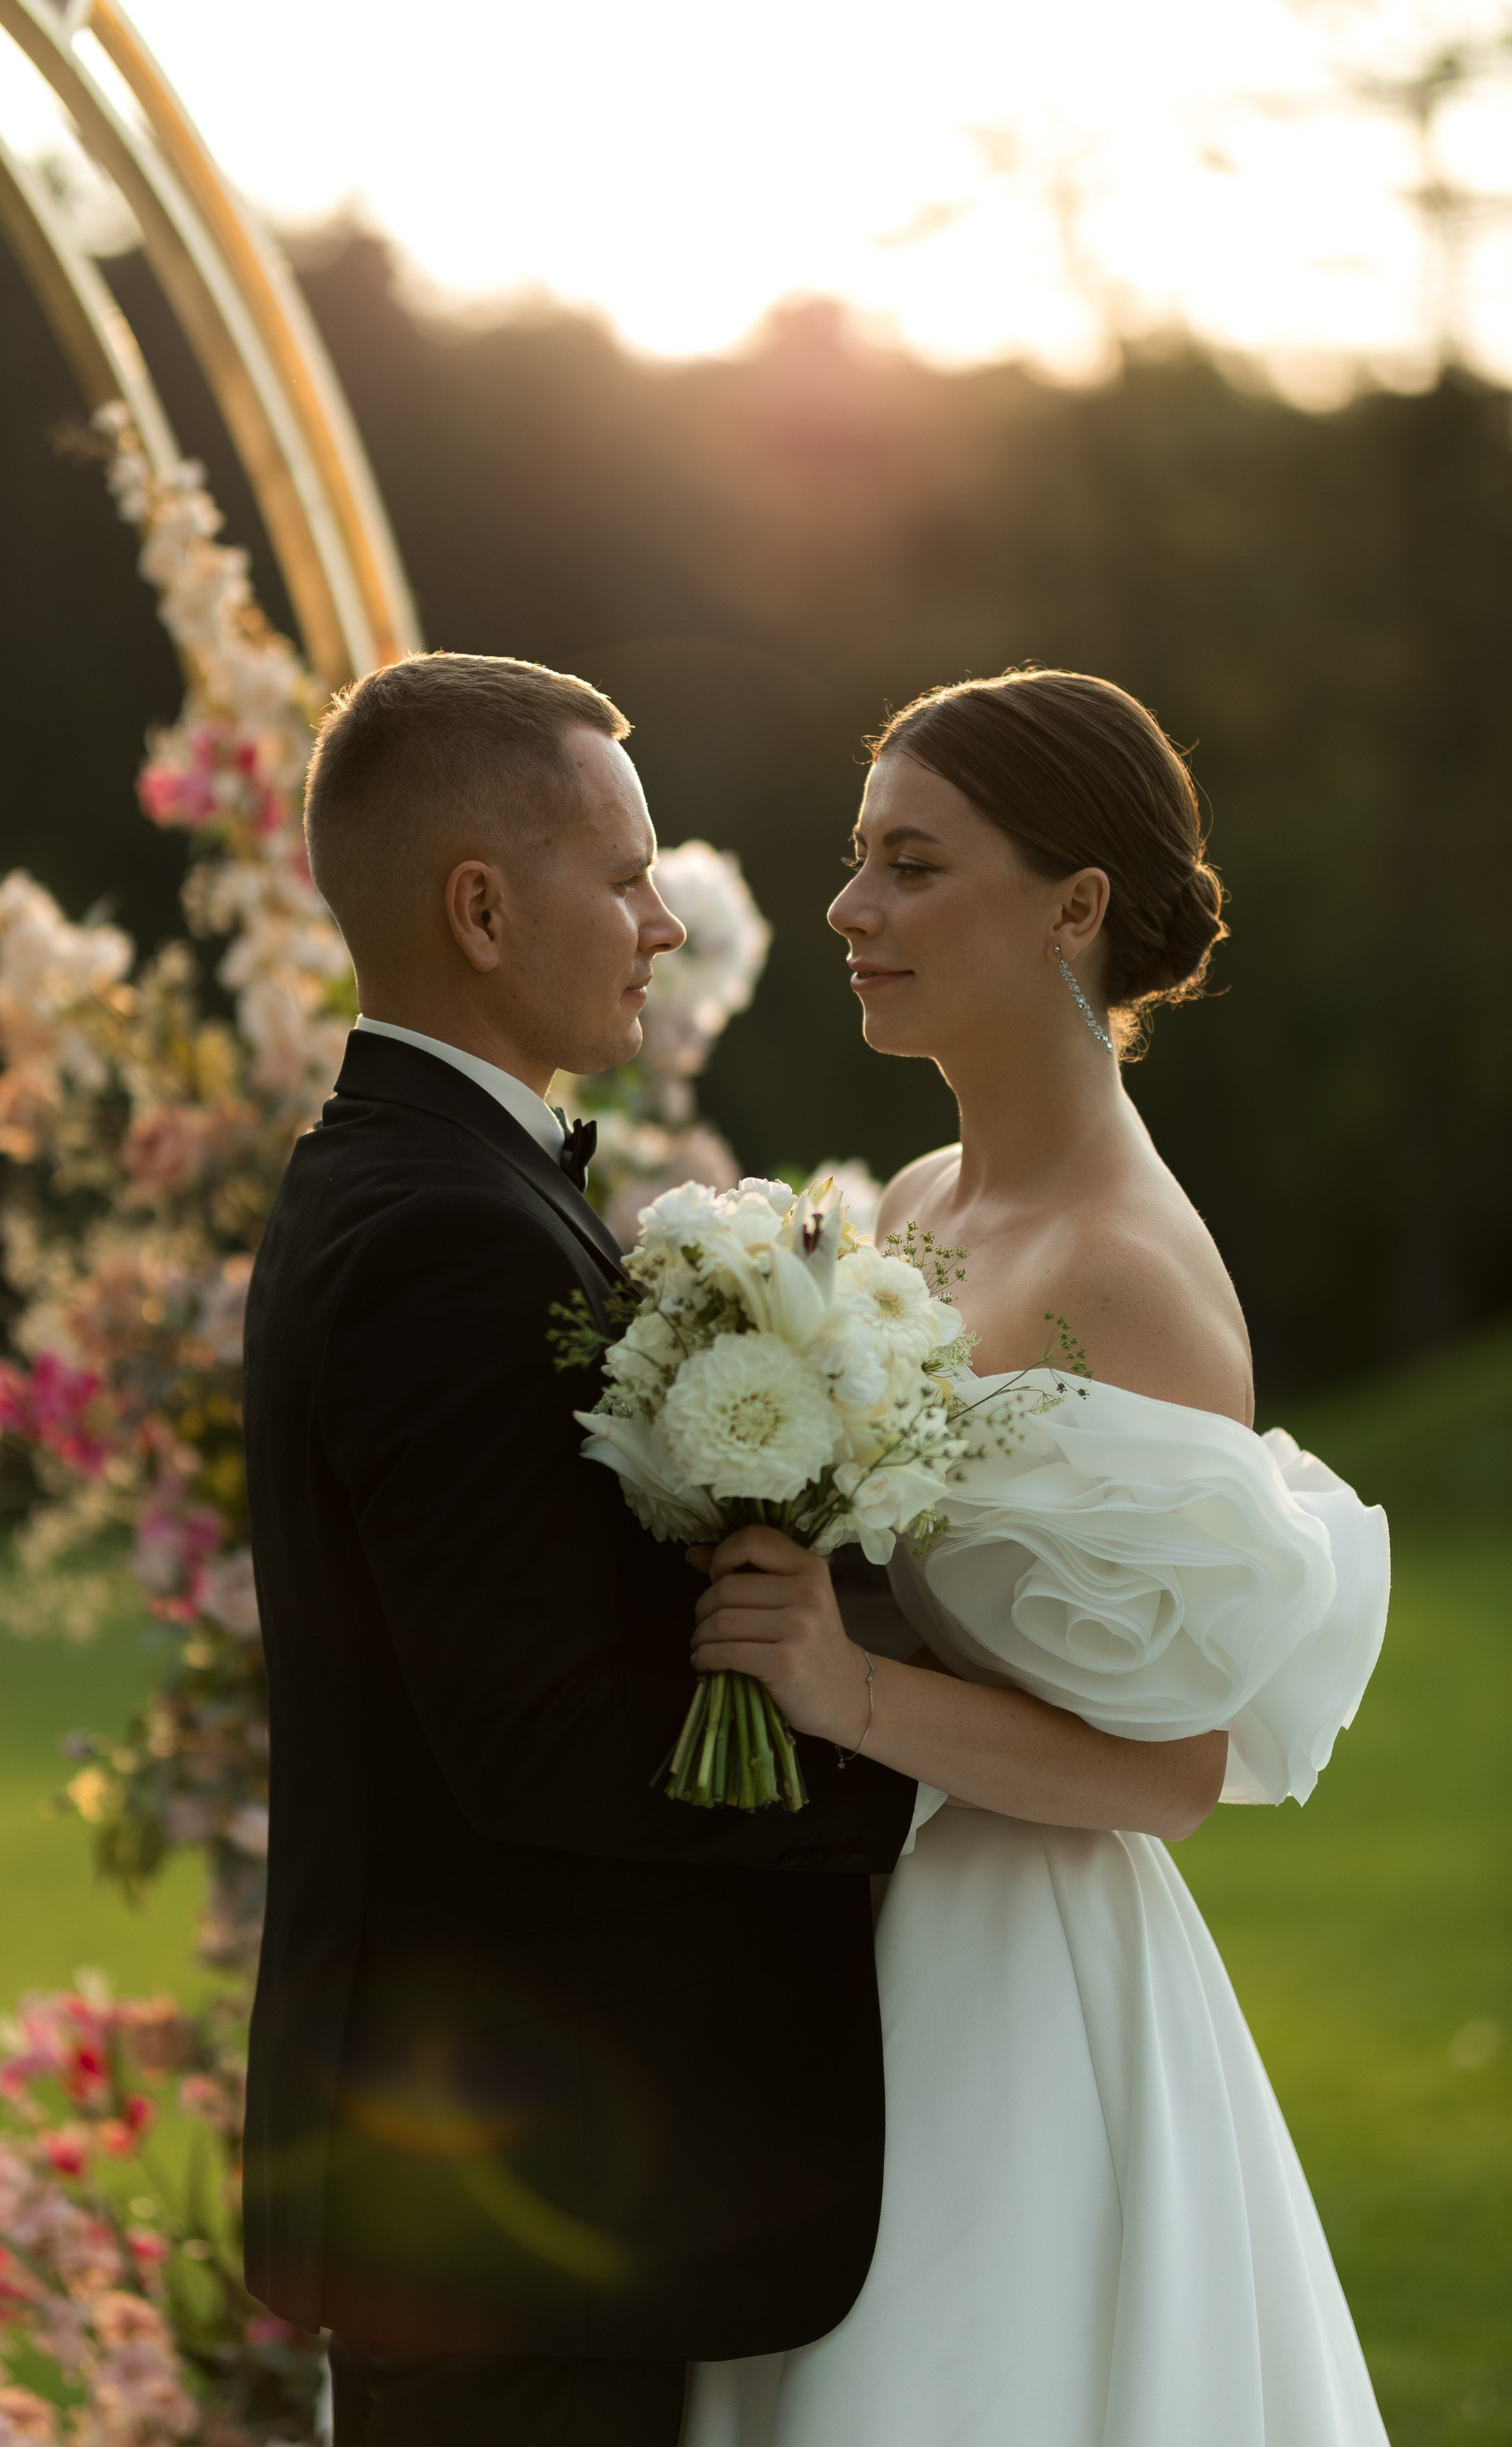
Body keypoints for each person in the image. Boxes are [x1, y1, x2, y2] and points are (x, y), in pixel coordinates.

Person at [682, 670, 1392, 2447]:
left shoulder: (1127, 1280)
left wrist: (839, 1686)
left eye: (911, 865)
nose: (852, 910)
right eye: (856, 860)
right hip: (844, 1925)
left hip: (1016, 1983)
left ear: (1075, 908)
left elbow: (1171, 1772)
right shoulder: (921, 1203)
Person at [240, 653, 926, 2447]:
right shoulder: (451, 1238)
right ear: (480, 908)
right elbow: (536, 1740)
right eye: (623, 879)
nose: (659, 925)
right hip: (509, 2207)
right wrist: (909, 1787)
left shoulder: (409, 1181)